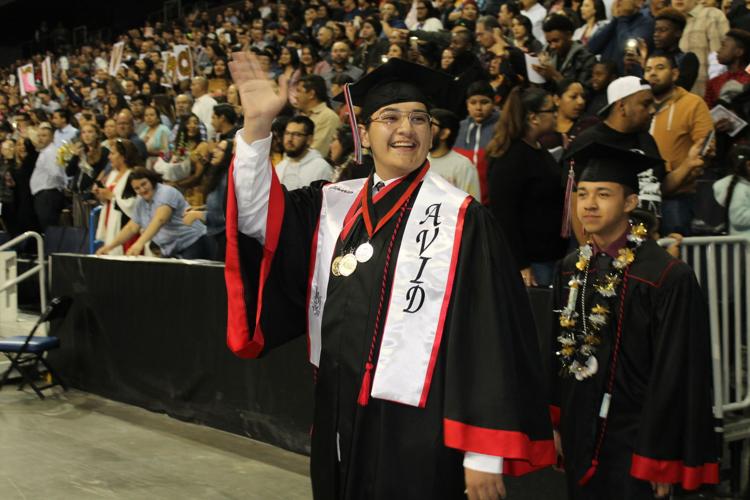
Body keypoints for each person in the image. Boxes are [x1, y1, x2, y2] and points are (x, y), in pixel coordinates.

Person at [225, 53, 554, 500]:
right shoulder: (333, 203)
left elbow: (489, 334)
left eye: (419, 118)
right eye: (391, 117)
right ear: (364, 132)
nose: (407, 129)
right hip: (339, 408)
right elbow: (257, 216)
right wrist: (258, 129)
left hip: (418, 427)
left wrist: (482, 454)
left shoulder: (461, 220)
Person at [550, 142, 718, 499]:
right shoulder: (571, 269)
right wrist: (558, 424)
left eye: (603, 194)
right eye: (581, 194)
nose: (589, 205)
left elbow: (678, 371)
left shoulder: (666, 277)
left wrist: (662, 455)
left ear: (629, 203)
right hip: (581, 430)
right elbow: (558, 352)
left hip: (638, 440)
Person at [568, 76, 704, 243]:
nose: (653, 110)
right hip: (607, 247)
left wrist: (688, 164)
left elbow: (659, 186)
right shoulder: (589, 142)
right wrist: (590, 253)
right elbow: (575, 202)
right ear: (622, 106)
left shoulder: (647, 140)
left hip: (647, 242)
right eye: (645, 104)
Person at [487, 87, 569, 287]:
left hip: (549, 254)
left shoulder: (538, 149)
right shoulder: (511, 158)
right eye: (551, 110)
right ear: (534, 117)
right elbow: (504, 217)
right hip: (531, 262)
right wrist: (521, 264)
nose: (556, 114)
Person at [645, 53, 713, 235]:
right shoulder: (641, 106)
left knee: (677, 257)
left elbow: (706, 147)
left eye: (660, 68)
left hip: (679, 197)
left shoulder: (693, 103)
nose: (652, 74)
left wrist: (686, 171)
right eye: (648, 69)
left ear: (675, 74)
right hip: (644, 197)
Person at [97, 168, 210, 259]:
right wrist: (109, 247)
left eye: (144, 184)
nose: (142, 190)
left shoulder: (166, 192)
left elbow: (160, 219)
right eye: (137, 188)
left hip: (194, 243)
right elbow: (131, 228)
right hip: (170, 250)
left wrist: (139, 244)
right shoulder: (140, 202)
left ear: (151, 180)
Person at [183, 139, 234, 261]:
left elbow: (225, 216)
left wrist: (197, 214)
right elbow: (218, 205)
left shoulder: (227, 180)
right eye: (216, 148)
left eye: (221, 150)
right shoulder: (220, 175)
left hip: (225, 238)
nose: (214, 152)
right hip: (217, 236)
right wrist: (200, 208)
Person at [453, 81, 500, 205]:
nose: (478, 108)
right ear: (467, 104)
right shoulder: (458, 128)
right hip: (460, 200)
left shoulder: (502, 128)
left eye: (484, 102)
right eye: (473, 103)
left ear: (494, 103)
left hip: (492, 201)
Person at [673, 0, 729, 96]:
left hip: (708, 97)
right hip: (679, 100)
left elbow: (721, 60)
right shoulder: (669, 25)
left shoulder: (711, 15)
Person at [93, 139, 138, 255]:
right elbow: (108, 200)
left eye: (112, 153)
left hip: (125, 227)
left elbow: (133, 205)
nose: (109, 157)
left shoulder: (133, 175)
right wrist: (101, 196)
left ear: (123, 156)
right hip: (110, 223)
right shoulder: (113, 174)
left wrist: (112, 196)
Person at [587, 0, 655, 74]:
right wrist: (615, 19)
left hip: (628, 78)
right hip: (605, 78)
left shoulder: (647, 22)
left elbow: (626, 50)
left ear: (639, 3)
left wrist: (623, 18)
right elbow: (591, 48)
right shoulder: (615, 22)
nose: (618, 1)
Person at [427, 108, 481, 199]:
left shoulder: (463, 165)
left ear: (444, 133)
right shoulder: (419, 161)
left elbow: (472, 206)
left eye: (430, 125)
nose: (424, 130)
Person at [540, 79, 599, 158]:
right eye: (573, 97)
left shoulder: (589, 124)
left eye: (583, 97)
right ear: (557, 100)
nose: (581, 102)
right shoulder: (543, 129)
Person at [535, 14, 596, 85]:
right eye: (549, 42)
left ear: (569, 35)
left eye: (556, 41)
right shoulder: (548, 51)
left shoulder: (586, 58)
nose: (552, 46)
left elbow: (581, 92)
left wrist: (553, 74)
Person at [275, 116, 333, 189]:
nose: (289, 139)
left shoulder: (322, 168)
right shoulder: (280, 167)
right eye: (287, 133)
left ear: (309, 139)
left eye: (297, 134)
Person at [651, 8, 700, 91]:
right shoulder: (652, 58)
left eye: (662, 30)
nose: (656, 34)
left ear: (678, 33)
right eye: (656, 30)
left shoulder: (688, 59)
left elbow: (679, 89)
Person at [29, 123, 66, 232]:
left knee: (49, 227)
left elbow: (56, 173)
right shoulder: (45, 151)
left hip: (48, 195)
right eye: (39, 135)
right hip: (45, 195)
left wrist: (60, 187)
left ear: (52, 137)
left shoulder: (50, 152)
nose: (40, 138)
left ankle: (52, 248)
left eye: (44, 135)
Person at [295, 75, 340, 157]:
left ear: (311, 94)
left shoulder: (328, 117)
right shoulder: (302, 116)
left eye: (299, 91)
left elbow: (316, 151)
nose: (295, 96)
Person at [705, 29, 750, 108]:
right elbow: (706, 113)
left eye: (723, 46)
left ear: (739, 52)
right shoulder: (713, 82)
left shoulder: (748, 80)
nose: (718, 51)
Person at [714, 144, 750, 237]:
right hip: (743, 244)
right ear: (747, 165)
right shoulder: (739, 189)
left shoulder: (744, 186)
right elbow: (738, 218)